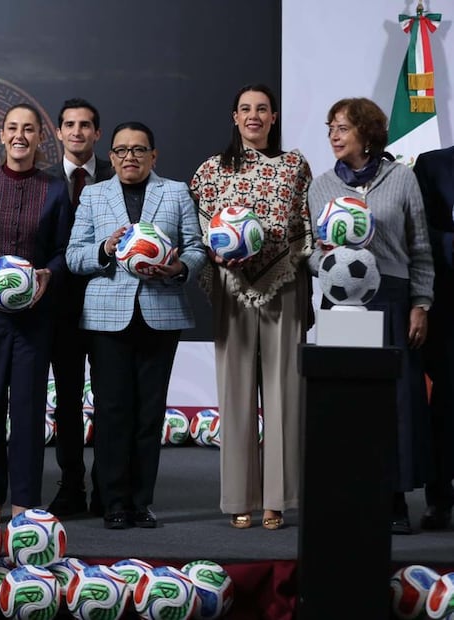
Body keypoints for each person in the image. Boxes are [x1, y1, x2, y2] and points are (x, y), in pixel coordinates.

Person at [67, 121, 205, 529]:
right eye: (122, 150)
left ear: (153, 156)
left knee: (149, 413)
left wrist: (179, 267)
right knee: (112, 411)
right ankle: (112, 502)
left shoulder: (176, 192)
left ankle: (141, 502)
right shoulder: (93, 195)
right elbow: (74, 256)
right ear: (111, 157)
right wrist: (105, 249)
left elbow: (196, 247)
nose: (130, 156)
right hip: (107, 318)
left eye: (139, 150)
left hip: (161, 315)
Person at [190, 84, 313, 531]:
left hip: (284, 284)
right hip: (232, 285)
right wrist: (216, 254)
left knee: (284, 391)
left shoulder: (294, 166)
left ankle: (278, 499)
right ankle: (240, 497)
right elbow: (199, 232)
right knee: (235, 392)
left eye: (262, 109)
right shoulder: (209, 172)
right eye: (245, 109)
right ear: (234, 117)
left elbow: (303, 228)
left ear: (274, 117)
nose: (254, 116)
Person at [309, 97, 433, 535]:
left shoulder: (401, 178)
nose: (334, 136)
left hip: (393, 298)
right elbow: (309, 252)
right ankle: (347, 494)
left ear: (367, 132)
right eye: (330, 128)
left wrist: (421, 303)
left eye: (342, 127)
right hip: (341, 303)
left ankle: (395, 498)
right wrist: (326, 258)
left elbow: (419, 248)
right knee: (344, 400)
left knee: (396, 401)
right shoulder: (322, 185)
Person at [0, 103, 72, 522]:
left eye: (29, 129)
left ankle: (23, 506)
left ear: (41, 137)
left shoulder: (55, 188)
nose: (20, 135)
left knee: (27, 411)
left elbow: (62, 251)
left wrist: (48, 275)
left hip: (34, 317)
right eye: (12, 128)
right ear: (1, 136)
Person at [43, 98, 113, 518]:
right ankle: (70, 485)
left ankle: (107, 487)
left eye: (86, 125)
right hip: (59, 310)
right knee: (66, 401)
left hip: (108, 305)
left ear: (97, 133)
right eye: (69, 124)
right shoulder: (44, 179)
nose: (77, 132)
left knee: (108, 400)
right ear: (58, 132)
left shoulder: (115, 175)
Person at [413, 145, 454, 530]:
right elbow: (421, 233)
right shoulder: (433, 164)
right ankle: (440, 498)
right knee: (446, 402)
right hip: (449, 305)